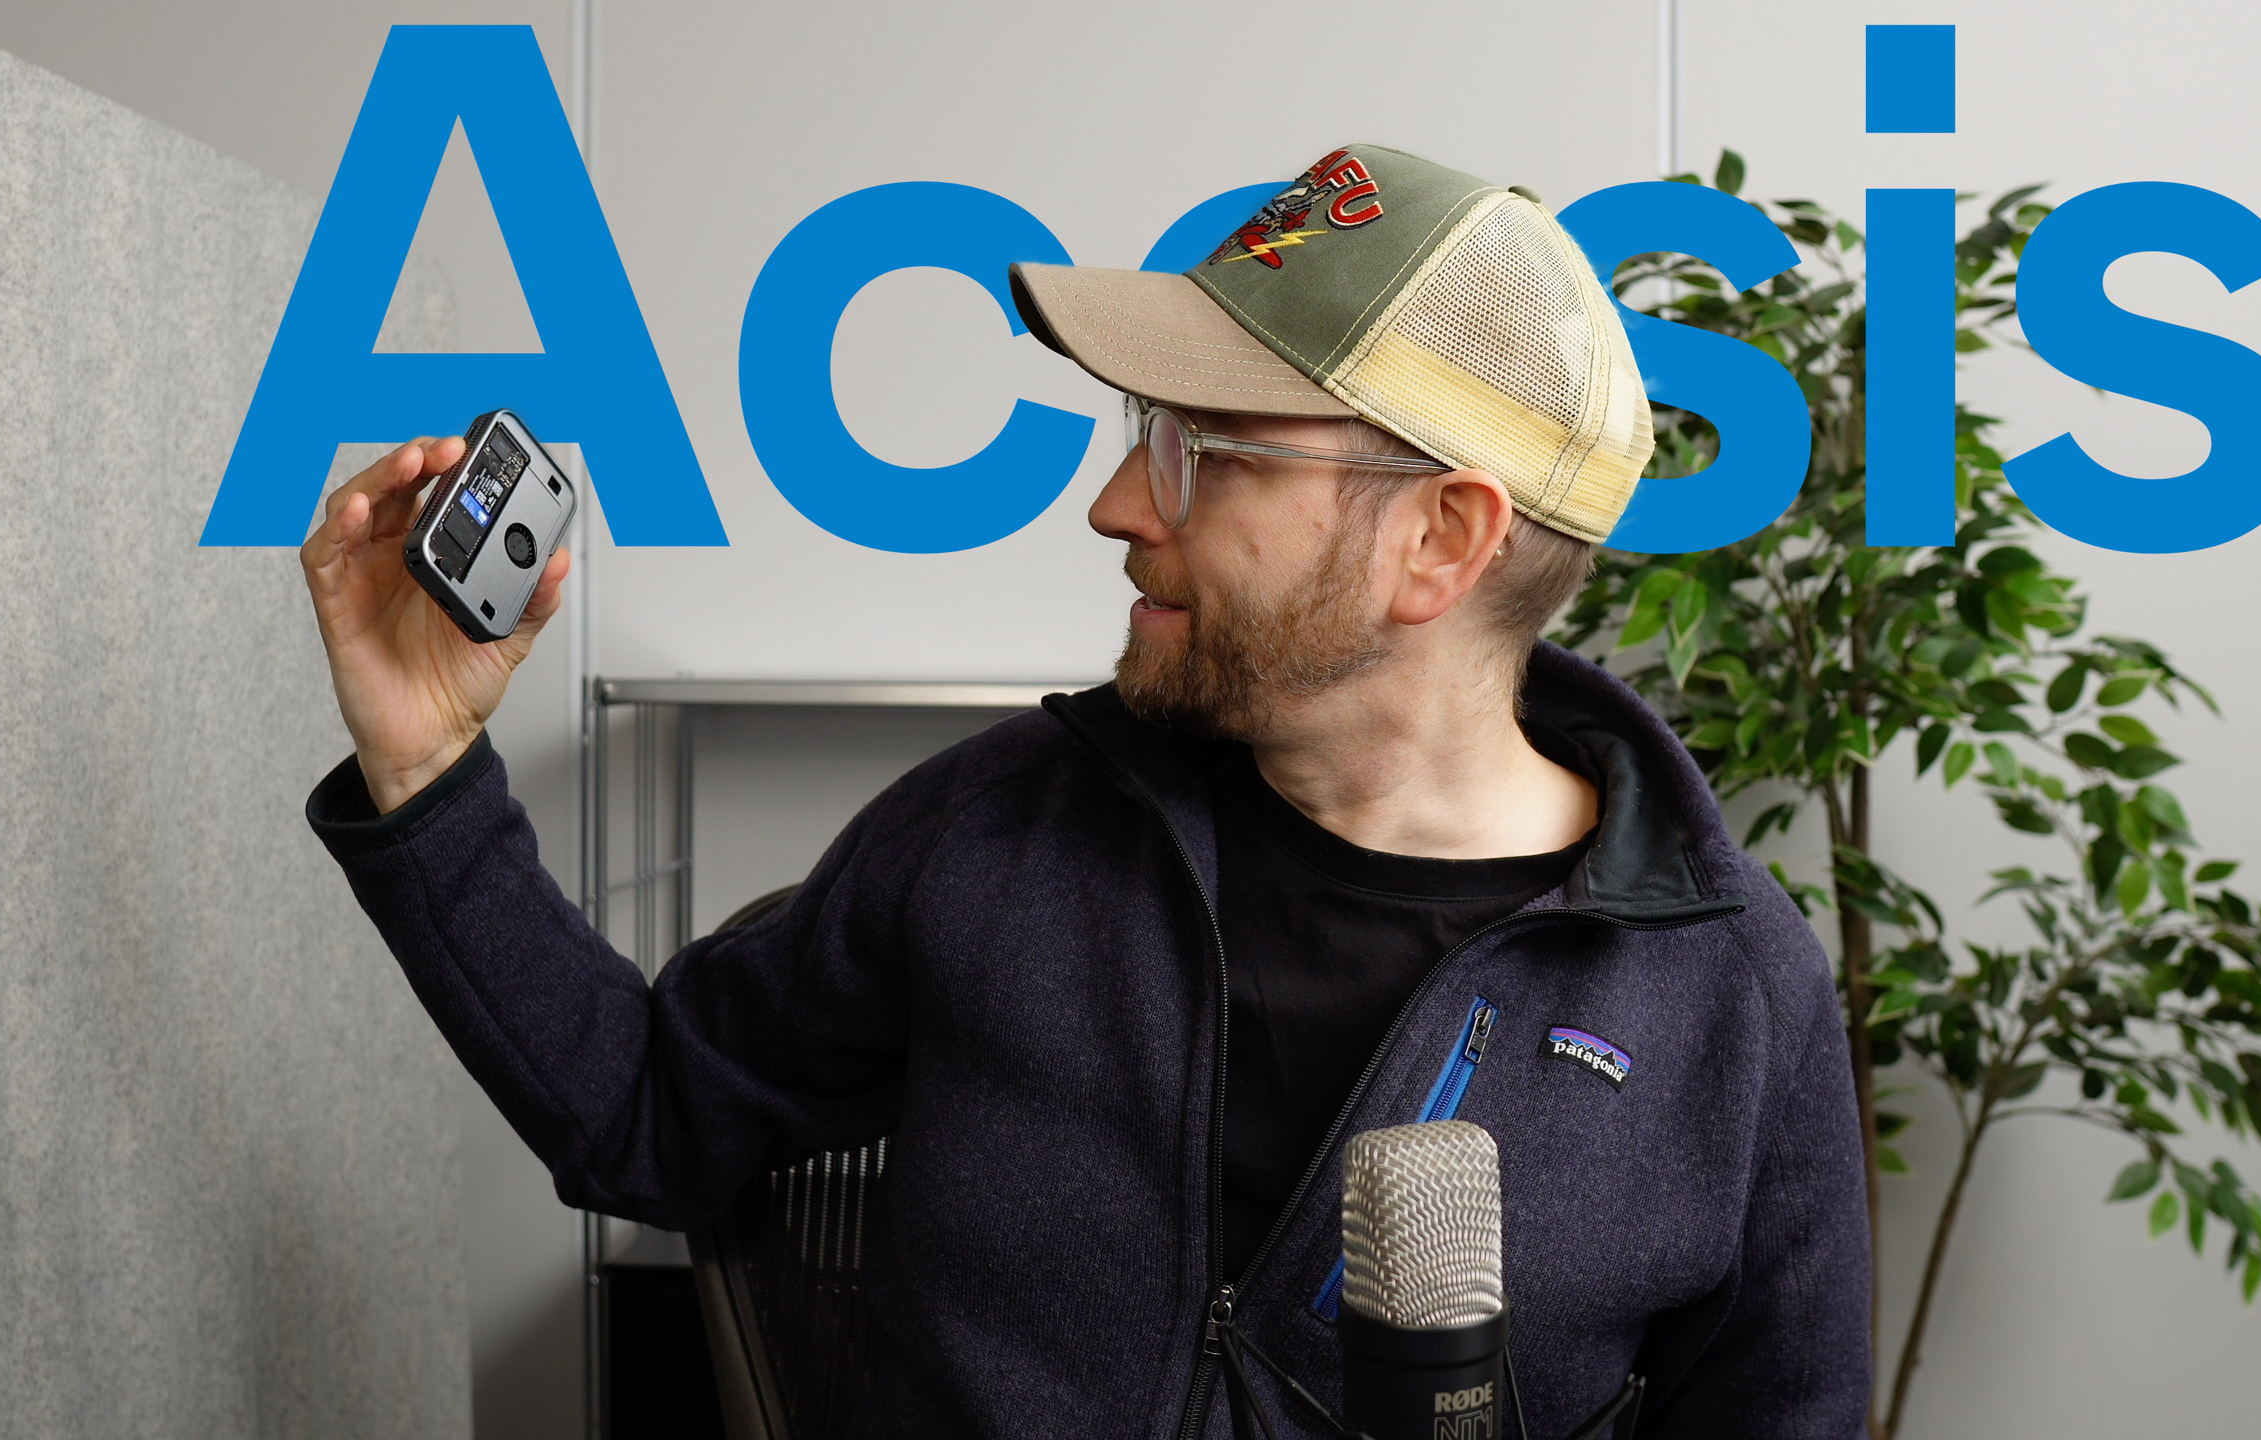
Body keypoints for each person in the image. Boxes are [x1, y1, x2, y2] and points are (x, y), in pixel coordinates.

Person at [301, 144, 1869, 1439]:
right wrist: (425, 765)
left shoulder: (1733, 1005)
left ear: (1441, 539)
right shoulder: (996, 829)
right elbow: (649, 1116)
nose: (1120, 504)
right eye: (1143, 436)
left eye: (1207, 453)